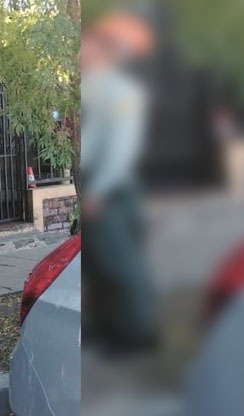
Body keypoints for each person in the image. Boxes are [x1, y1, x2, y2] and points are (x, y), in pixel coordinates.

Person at [81, 12, 157, 355]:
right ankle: (109, 326)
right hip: (96, 183)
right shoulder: (93, 86)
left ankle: (138, 332)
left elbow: (121, 149)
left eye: (89, 45)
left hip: (112, 188)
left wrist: (98, 191)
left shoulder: (121, 91)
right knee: (98, 264)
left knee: (121, 262)